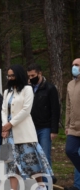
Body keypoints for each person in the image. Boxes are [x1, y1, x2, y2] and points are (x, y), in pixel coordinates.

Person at [1, 65, 53, 190]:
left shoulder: (27, 89)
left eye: (13, 75)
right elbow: (3, 110)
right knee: (10, 163)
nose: (10, 78)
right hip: (7, 133)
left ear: (18, 75)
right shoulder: (6, 92)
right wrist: (4, 127)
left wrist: (10, 124)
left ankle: (41, 186)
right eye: (9, 75)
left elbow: (26, 110)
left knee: (32, 161)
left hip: (24, 132)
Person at [27, 63, 60, 184]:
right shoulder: (28, 88)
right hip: (31, 127)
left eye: (33, 75)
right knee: (32, 157)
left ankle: (47, 183)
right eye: (29, 76)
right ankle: (40, 182)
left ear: (40, 73)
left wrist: (54, 129)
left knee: (45, 156)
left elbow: (55, 109)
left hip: (45, 127)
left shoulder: (50, 88)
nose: (31, 78)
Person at [64, 58, 80, 190]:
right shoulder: (70, 84)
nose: (74, 67)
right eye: (73, 65)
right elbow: (68, 106)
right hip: (74, 127)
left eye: (77, 65)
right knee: (70, 150)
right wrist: (67, 125)